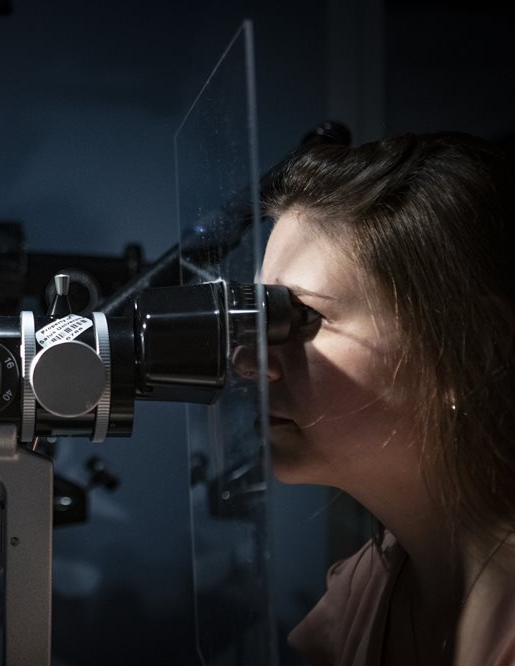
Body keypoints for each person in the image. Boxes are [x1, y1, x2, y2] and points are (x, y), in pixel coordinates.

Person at [245, 131, 515, 665]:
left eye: (301, 319)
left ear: (474, 348)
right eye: (260, 318)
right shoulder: (362, 591)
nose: (250, 363)